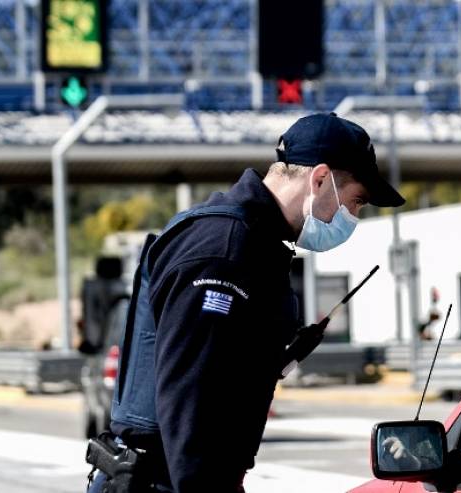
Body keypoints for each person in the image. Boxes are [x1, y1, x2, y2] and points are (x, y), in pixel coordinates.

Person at [86, 112, 405, 493]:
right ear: (320, 180)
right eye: (356, 202)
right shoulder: (224, 252)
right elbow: (191, 400)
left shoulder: (251, 245)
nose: (352, 216)